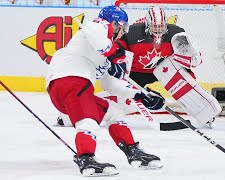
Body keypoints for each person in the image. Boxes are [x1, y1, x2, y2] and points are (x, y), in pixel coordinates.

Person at [46, 5, 165, 177]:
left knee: (113, 112)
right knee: (88, 121)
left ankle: (132, 151)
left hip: (69, 89)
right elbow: (100, 39)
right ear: (115, 23)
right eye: (123, 27)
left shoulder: (103, 47)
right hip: (71, 81)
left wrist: (140, 95)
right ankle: (86, 159)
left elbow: (111, 84)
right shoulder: (97, 26)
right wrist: (116, 54)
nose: (123, 32)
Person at [113, 6, 222, 128]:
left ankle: (203, 110)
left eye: (161, 26)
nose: (158, 29)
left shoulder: (176, 33)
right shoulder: (131, 33)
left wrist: (186, 64)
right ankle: (107, 112)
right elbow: (117, 54)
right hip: (136, 72)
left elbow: (195, 60)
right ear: (148, 25)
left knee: (184, 83)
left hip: (165, 68)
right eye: (155, 26)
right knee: (120, 99)